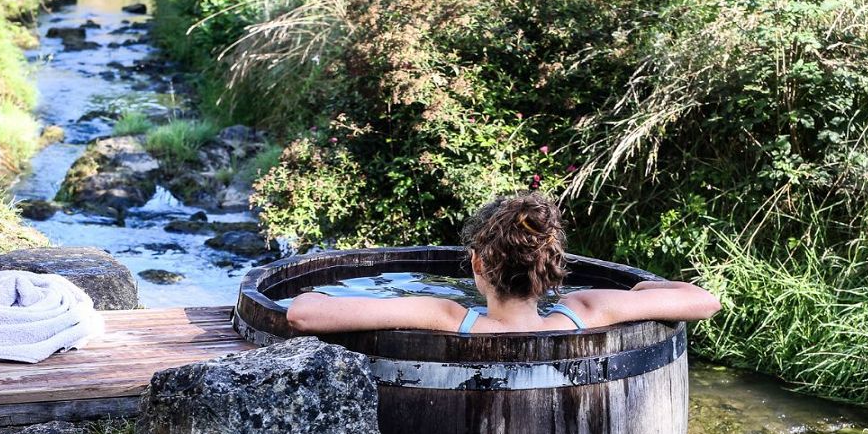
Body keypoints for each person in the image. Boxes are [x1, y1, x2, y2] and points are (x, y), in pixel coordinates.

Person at [285, 192, 720, 334]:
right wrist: (644, 289)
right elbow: (705, 302)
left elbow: (303, 313)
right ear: (552, 270)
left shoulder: (447, 315)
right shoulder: (586, 310)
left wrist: (313, 291)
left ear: (477, 265)